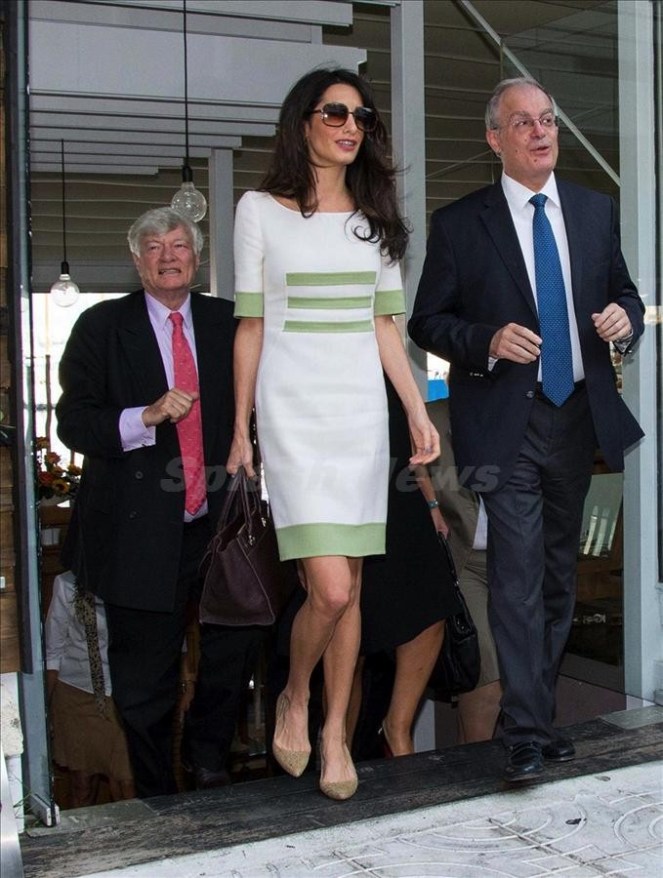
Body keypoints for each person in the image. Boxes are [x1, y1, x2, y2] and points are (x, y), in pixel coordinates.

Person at [409, 76, 645, 783]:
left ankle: (535, 718)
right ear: (494, 139)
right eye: (522, 123)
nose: (540, 133)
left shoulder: (594, 210)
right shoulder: (459, 224)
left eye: (547, 121)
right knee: (513, 573)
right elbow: (426, 322)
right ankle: (523, 731)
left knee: (553, 579)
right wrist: (484, 339)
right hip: (502, 424)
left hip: (574, 416)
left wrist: (622, 320)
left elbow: (624, 294)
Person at [227, 67, 439, 800]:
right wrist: (239, 428)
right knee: (329, 585)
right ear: (304, 121)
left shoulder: (373, 222)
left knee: (348, 590)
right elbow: (250, 324)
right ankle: (293, 694)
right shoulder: (258, 209)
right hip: (290, 416)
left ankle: (334, 732)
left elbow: (384, 329)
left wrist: (414, 409)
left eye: (362, 118)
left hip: (356, 418)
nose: (351, 127)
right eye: (335, 113)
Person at [56, 207, 264, 798]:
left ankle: (208, 761)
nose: (168, 255)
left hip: (223, 524)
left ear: (196, 257)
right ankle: (157, 795)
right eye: (153, 245)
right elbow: (73, 422)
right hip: (137, 533)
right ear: (136, 258)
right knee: (144, 682)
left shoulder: (233, 323)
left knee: (232, 653)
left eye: (179, 244)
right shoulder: (102, 326)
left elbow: (270, 400)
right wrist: (142, 418)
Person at [351, 379, 460, 758]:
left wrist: (432, 507)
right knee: (350, 625)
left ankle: (398, 729)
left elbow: (412, 439)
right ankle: (337, 744)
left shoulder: (386, 361)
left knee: (432, 605)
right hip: (337, 495)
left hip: (401, 494)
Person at [424, 398, 502, 744]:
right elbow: (407, 475)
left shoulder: (523, 413)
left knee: (521, 675)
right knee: (486, 680)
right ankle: (476, 778)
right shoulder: (430, 417)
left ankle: (472, 768)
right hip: (464, 562)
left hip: (519, 562)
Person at [45, 571, 135, 807]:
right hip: (75, 693)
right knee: (82, 784)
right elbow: (53, 653)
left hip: (122, 695)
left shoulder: (132, 577)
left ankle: (134, 842)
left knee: (126, 783)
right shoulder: (66, 583)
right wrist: (43, 710)